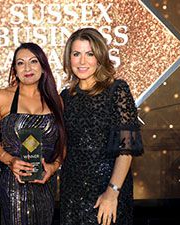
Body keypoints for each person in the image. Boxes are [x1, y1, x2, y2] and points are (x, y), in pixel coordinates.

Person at [59, 28, 144, 225]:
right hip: (72, 193)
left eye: (89, 54)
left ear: (100, 57)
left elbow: (126, 149)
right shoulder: (66, 97)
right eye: (76, 54)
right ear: (68, 58)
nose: (82, 61)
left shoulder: (117, 90)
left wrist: (112, 192)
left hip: (107, 191)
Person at [0, 42, 66, 225]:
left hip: (45, 183)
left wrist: (54, 167)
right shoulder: (1, 97)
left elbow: (63, 143)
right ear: (14, 69)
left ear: (43, 66)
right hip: (12, 184)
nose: (27, 68)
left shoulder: (56, 100)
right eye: (20, 63)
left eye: (33, 61)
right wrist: (10, 160)